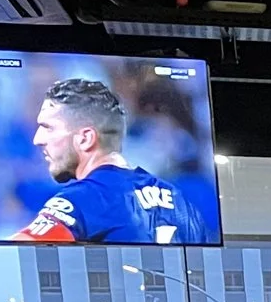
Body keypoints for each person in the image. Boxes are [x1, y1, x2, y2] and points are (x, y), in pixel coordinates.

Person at [14, 76, 210, 245]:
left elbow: (13, 254)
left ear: (86, 138)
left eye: (48, 128)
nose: (37, 139)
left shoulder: (84, 199)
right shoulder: (181, 202)